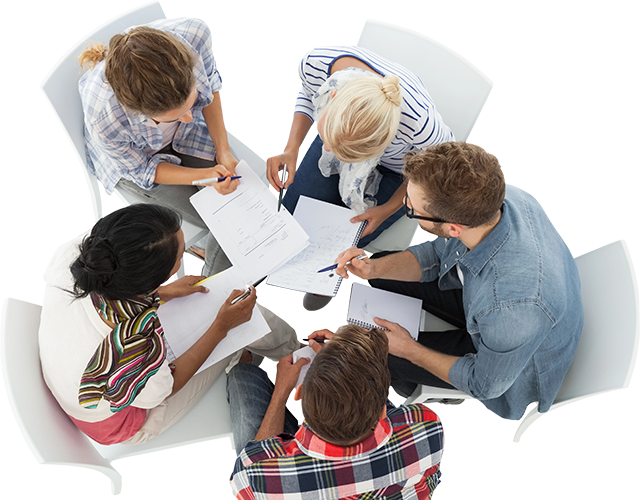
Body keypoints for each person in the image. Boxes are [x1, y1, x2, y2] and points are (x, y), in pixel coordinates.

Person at [335, 142, 584, 420]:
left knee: (379, 355)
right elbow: (438, 253)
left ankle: (403, 379)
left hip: (507, 362)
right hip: (493, 306)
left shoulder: (511, 311)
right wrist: (372, 269)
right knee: (385, 270)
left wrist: (410, 350)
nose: (405, 205)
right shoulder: (497, 200)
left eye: (411, 209)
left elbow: (485, 384)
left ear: (454, 227)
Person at [38, 204, 299, 446]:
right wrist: (221, 327)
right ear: (147, 283)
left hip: (72, 377)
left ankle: (283, 358)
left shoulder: (77, 257)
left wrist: (161, 292)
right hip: (126, 420)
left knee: (233, 317)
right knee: (244, 321)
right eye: (179, 259)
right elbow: (166, 386)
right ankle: (299, 361)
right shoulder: (132, 345)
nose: (183, 259)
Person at [229, 325, 444, 500]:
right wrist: (350, 367)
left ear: (298, 398)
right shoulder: (427, 427)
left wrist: (280, 392)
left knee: (242, 375)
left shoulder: (256, 475)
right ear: (381, 411)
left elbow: (254, 460)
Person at [78, 18, 238, 276]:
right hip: (137, 166)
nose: (189, 116)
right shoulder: (103, 116)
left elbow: (213, 88)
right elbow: (143, 169)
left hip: (187, 139)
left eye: (191, 102)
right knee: (225, 223)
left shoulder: (195, 36)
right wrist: (204, 177)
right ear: (139, 112)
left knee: (238, 207)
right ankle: (211, 294)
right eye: (175, 115)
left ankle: (208, 257)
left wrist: (223, 150)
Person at [266, 46, 454, 248]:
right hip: (345, 133)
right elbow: (309, 93)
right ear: (333, 96)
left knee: (337, 245)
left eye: (343, 151)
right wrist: (293, 149)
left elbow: (435, 167)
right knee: (289, 218)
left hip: (400, 170)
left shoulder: (420, 124)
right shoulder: (316, 63)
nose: (326, 149)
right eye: (326, 137)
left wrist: (387, 209)